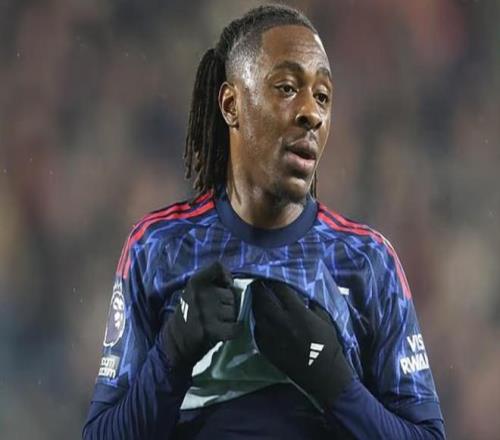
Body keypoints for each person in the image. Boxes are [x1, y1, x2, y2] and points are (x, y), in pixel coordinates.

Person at [83, 5, 445, 439]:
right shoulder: (157, 248)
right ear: (231, 104)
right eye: (288, 87)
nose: (312, 112)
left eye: (323, 96)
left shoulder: (367, 261)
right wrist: (172, 351)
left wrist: (334, 383)